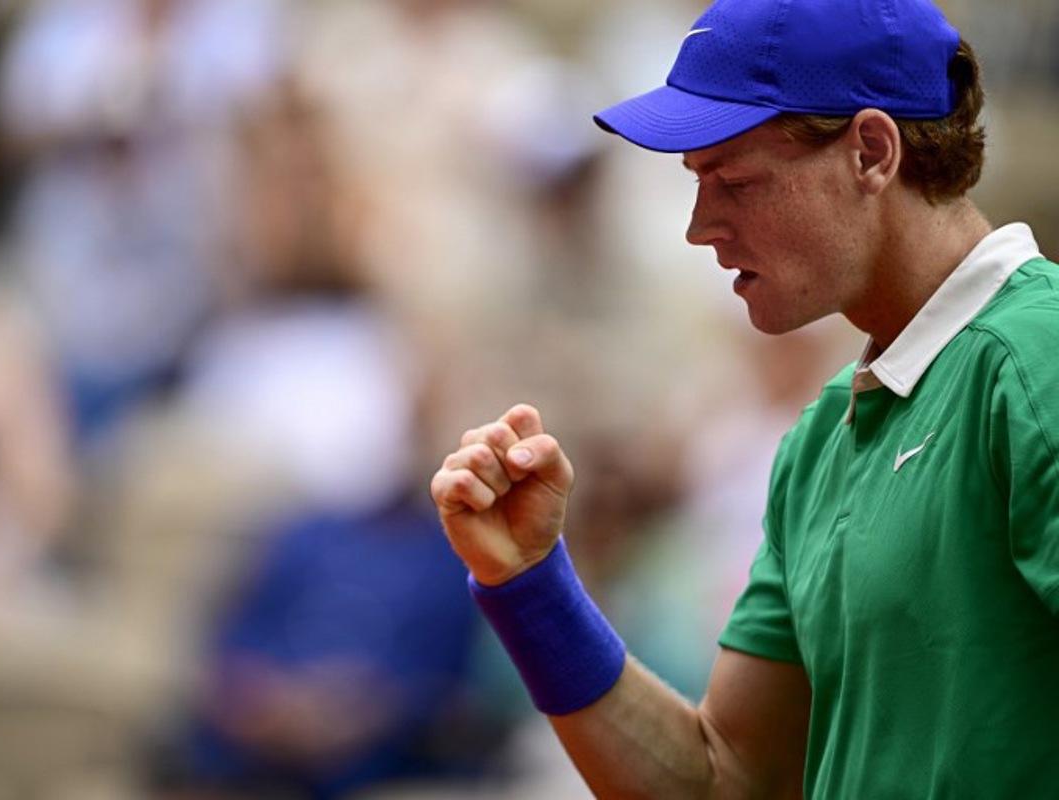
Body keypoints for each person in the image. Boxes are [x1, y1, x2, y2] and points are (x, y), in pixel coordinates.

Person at [430, 0, 1059, 797]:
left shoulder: (1040, 360)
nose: (700, 227)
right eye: (696, 183)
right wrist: (530, 586)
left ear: (871, 152)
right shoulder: (826, 433)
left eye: (734, 180)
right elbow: (723, 778)